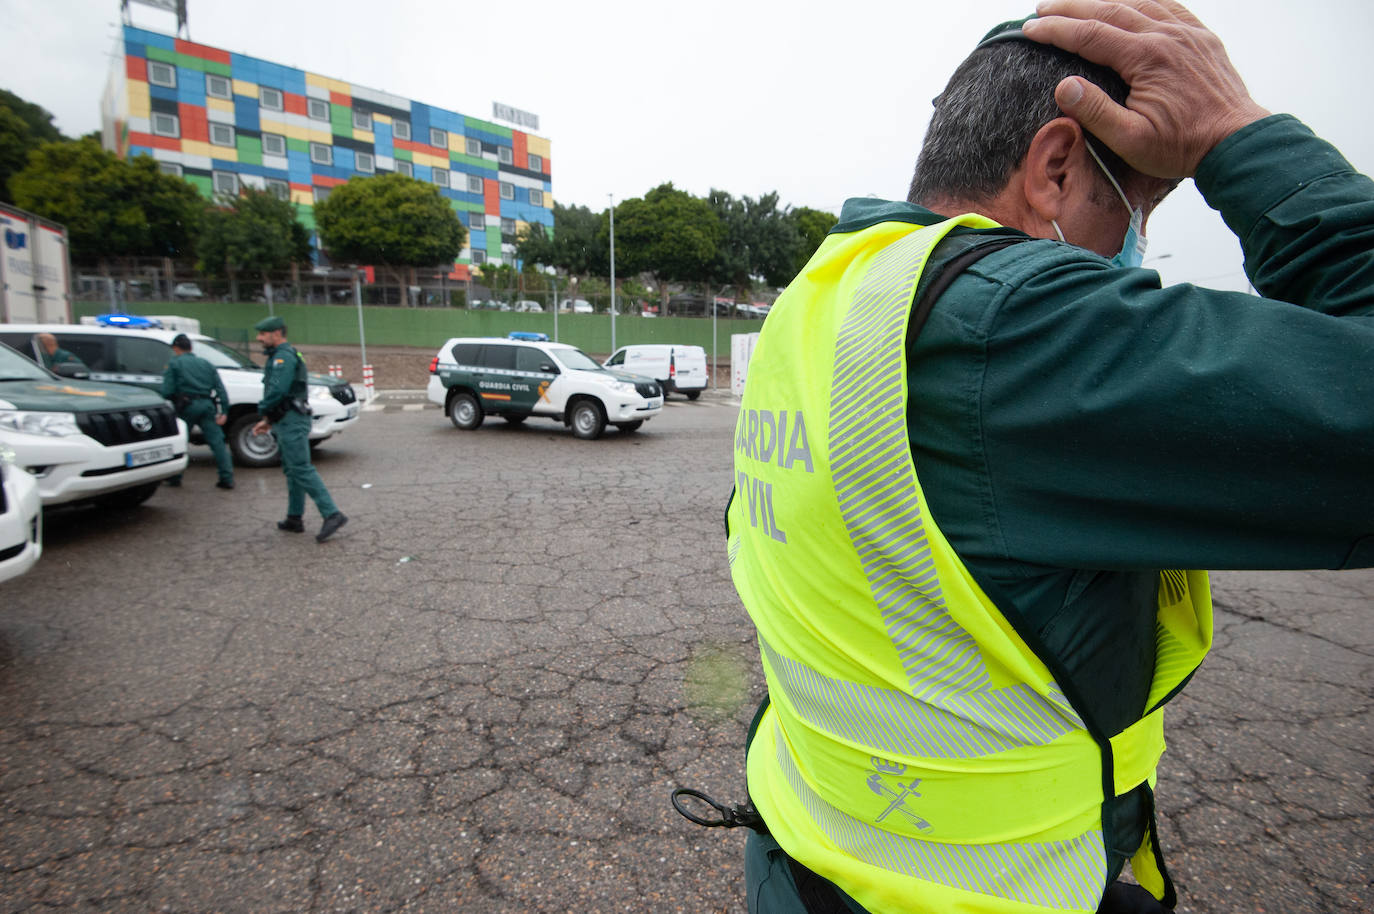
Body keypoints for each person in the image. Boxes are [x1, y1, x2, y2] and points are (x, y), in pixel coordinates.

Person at [722, 2, 1374, 913]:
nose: (1137, 250)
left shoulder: (831, 293)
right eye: (1139, 205)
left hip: (806, 852)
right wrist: (1239, 137)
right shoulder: (1018, 329)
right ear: (1057, 167)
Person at [251, 316, 347, 542]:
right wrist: (269, 420)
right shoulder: (280, 356)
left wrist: (263, 411)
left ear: (276, 333)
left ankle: (332, 513)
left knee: (301, 468)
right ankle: (294, 517)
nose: (259, 338)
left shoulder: (283, 358)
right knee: (292, 470)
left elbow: (278, 391)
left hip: (292, 421)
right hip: (286, 419)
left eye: (263, 334)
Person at [160, 334, 234, 490]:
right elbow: (220, 389)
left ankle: (175, 477)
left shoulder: (174, 363)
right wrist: (224, 411)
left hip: (186, 407)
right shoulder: (206, 364)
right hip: (207, 405)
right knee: (217, 443)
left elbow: (167, 391)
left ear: (176, 348)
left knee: (181, 442)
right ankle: (227, 478)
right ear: (191, 348)